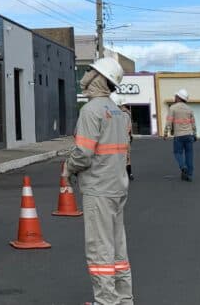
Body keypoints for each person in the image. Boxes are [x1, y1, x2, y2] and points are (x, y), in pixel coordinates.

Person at [66, 57, 133, 305]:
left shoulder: (91, 111)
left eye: (91, 71)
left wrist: (68, 168)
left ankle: (106, 301)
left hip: (99, 189)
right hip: (117, 187)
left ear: (99, 79)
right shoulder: (118, 112)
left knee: (99, 251)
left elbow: (83, 154)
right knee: (118, 250)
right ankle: (124, 299)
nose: (86, 75)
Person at [163, 88, 196, 181]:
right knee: (189, 154)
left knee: (177, 153)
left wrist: (165, 133)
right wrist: (195, 134)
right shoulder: (189, 109)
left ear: (178, 97)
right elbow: (193, 122)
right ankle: (189, 174)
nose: (174, 97)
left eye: (175, 96)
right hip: (189, 135)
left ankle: (183, 167)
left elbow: (169, 121)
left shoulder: (173, 108)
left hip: (178, 136)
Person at [117, 99, 133, 180]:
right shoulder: (127, 115)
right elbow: (129, 127)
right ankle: (129, 174)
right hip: (126, 138)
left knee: (118, 157)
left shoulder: (113, 115)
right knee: (127, 157)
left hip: (117, 139)